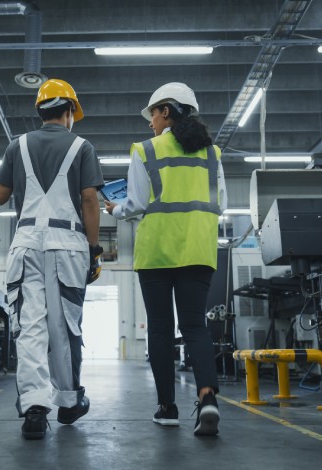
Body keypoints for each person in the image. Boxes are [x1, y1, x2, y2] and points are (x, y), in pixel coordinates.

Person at [0, 78, 104, 440]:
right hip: (68, 242)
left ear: (41, 111)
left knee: (30, 327)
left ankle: (34, 407)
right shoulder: (82, 146)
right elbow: (89, 200)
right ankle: (70, 401)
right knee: (65, 326)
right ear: (70, 112)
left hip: (26, 243)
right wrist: (94, 249)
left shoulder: (18, 146)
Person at [105, 82, 227, 436]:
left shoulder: (146, 150)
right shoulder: (213, 154)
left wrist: (116, 209)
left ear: (167, 112)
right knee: (194, 326)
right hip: (199, 249)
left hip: (157, 251)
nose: (150, 123)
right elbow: (220, 203)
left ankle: (168, 408)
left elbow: (137, 203)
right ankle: (207, 397)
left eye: (153, 114)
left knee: (160, 327)